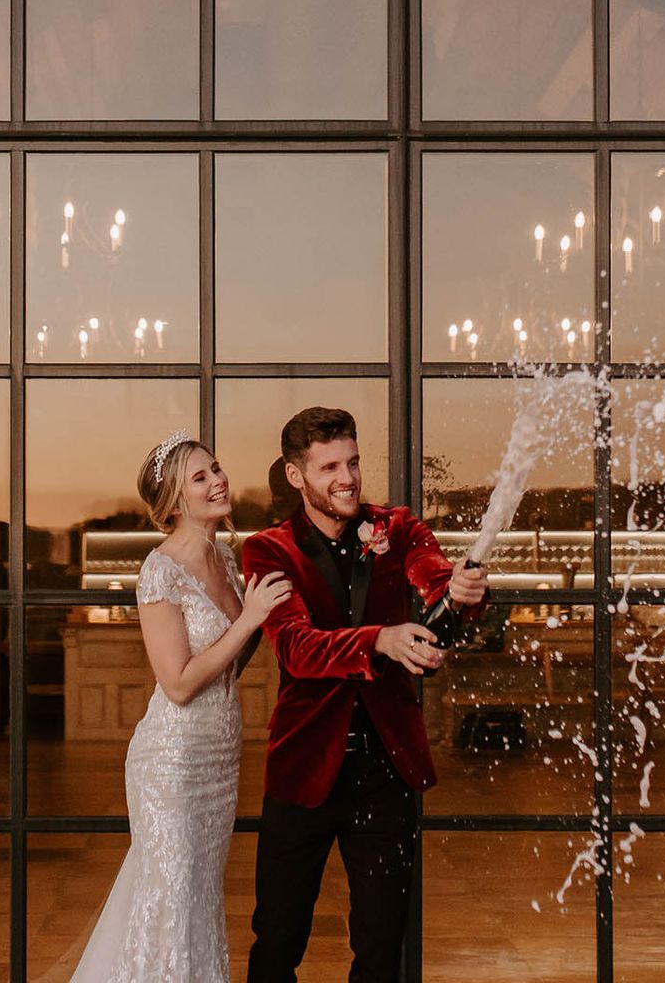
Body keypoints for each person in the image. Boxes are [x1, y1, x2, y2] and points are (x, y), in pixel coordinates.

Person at [243, 407, 489, 982]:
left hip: (386, 768)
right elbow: (298, 649)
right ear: (296, 475)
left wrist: (463, 593)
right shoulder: (267, 550)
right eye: (329, 466)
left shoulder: (398, 527)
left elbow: (437, 586)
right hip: (303, 769)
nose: (347, 477)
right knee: (277, 939)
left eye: (352, 462)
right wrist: (381, 639)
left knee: (382, 946)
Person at [71, 429, 291, 983]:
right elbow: (178, 683)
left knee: (196, 902)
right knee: (170, 901)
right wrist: (249, 618)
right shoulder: (159, 571)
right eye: (200, 477)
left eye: (216, 468)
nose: (218, 480)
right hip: (170, 764)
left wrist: (258, 621)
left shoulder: (226, 559)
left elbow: (228, 663)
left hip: (218, 762)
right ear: (174, 503)